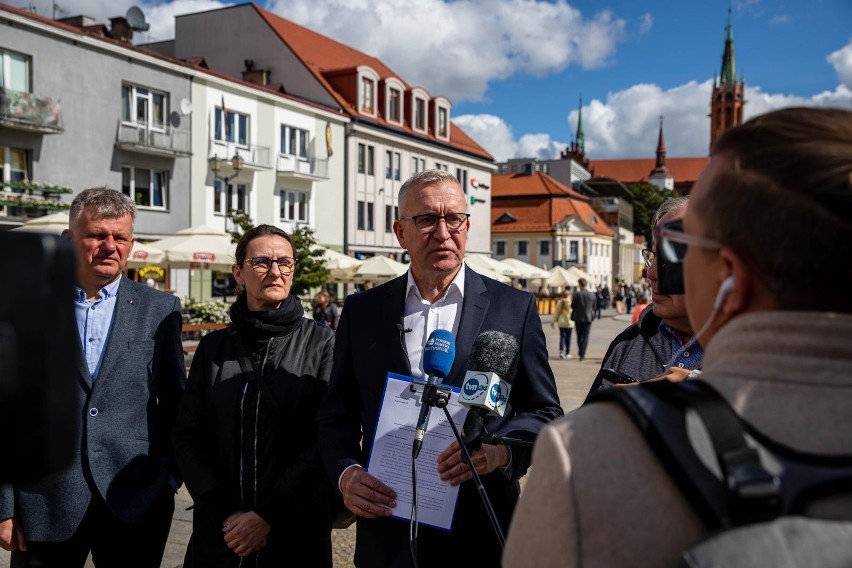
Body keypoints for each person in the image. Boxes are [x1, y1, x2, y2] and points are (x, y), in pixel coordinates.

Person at [503, 107, 852, 568]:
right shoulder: (630, 344)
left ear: (730, 275)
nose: (655, 271)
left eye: (680, 252)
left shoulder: (585, 452)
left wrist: (645, 418)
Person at [317, 169, 563, 568]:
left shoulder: (512, 308)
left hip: (481, 527)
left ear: (467, 226)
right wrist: (346, 474)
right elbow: (336, 413)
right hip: (388, 524)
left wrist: (501, 454)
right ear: (401, 233)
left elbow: (545, 413)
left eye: (454, 219)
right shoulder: (363, 311)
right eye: (428, 219)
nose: (443, 232)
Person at [0, 188, 185, 567]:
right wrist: (3, 504)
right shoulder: (28, 304)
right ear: (70, 240)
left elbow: (176, 404)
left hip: (135, 499)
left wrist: (168, 480)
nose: (110, 246)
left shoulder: (160, 309)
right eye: (97, 235)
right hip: (43, 504)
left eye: (121, 237)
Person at [172, 225, 336, 567]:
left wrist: (266, 515)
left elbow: (325, 438)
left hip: (295, 532)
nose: (275, 271)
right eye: (261, 262)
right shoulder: (213, 348)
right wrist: (226, 512)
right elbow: (188, 434)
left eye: (285, 263)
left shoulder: (322, 345)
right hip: (221, 533)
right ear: (239, 273)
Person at [585, 197, 702, 396]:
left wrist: (693, 387)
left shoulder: (763, 347)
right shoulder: (627, 343)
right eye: (654, 256)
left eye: (668, 257)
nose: (651, 274)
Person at [570, 277, 595, 361]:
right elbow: (594, 307)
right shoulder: (592, 294)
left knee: (579, 336)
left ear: (580, 284)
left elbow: (573, 306)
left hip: (578, 317)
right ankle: (583, 353)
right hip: (588, 317)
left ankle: (581, 351)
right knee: (585, 336)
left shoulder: (576, 294)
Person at [552, 288, 574, 359]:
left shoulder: (559, 302)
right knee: (568, 338)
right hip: (570, 323)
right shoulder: (571, 302)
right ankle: (567, 352)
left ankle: (561, 351)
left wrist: (553, 321)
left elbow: (556, 313)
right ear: (569, 295)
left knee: (562, 337)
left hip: (561, 322)